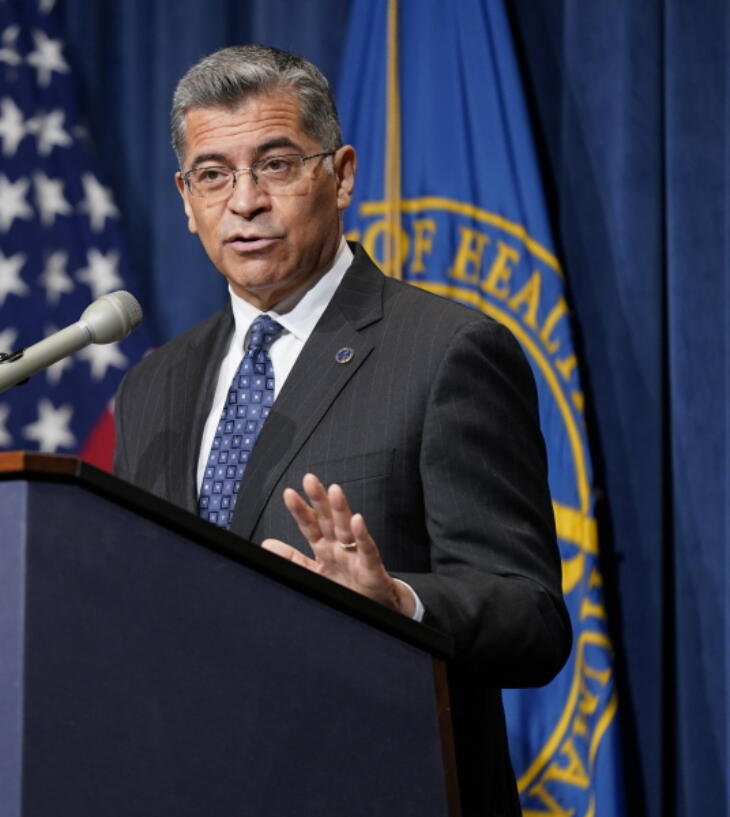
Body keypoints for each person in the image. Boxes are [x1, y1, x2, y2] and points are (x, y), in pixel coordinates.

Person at [113, 44, 571, 817]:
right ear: (186, 201)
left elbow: (531, 616)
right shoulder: (153, 384)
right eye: (214, 174)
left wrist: (398, 603)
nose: (246, 201)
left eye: (278, 164)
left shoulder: (446, 351)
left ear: (343, 174)